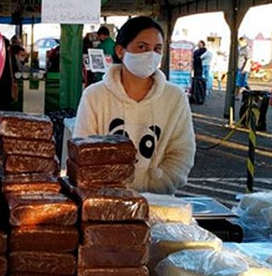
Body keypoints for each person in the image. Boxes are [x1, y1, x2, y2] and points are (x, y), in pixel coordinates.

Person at [73, 16, 196, 194]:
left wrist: (157, 187)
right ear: (120, 51)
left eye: (157, 49)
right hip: (104, 201)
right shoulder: (94, 96)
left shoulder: (175, 98)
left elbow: (182, 152)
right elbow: (83, 152)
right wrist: (108, 193)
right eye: (142, 47)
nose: (150, 55)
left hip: (157, 203)